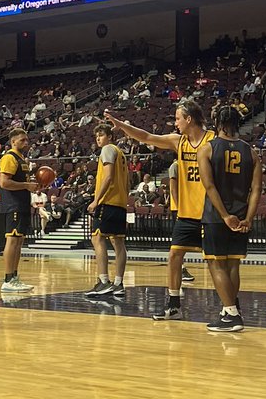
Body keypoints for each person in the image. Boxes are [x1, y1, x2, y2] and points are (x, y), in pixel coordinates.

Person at [104, 100, 210, 321]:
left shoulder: (212, 141)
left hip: (209, 212)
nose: (175, 123)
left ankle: (230, 306)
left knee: (216, 262)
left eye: (178, 118)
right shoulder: (178, 141)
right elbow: (146, 137)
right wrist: (121, 125)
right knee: (174, 255)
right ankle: (173, 305)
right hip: (186, 213)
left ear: (189, 119)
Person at [197, 106, 262, 332]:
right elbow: (256, 190)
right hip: (242, 213)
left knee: (216, 263)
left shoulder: (207, 149)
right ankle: (230, 309)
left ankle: (231, 314)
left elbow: (209, 186)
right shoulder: (251, 152)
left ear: (217, 122)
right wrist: (249, 218)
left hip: (217, 216)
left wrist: (224, 215)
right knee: (233, 264)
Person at [84, 122, 129, 301]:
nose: (98, 139)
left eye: (101, 135)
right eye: (97, 136)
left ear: (110, 136)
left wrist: (96, 200)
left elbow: (109, 176)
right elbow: (127, 181)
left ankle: (103, 280)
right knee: (118, 243)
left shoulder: (107, 150)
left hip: (108, 202)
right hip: (120, 203)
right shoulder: (121, 154)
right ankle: (118, 284)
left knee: (97, 238)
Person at [0, 127, 38, 292]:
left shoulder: (22, 158)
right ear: (13, 141)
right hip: (13, 204)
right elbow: (4, 183)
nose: (26, 143)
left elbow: (22, 183)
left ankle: (14, 277)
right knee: (12, 240)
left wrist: (33, 185)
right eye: (22, 140)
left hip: (22, 203)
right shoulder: (9, 157)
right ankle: (8, 279)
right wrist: (26, 185)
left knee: (19, 241)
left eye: (27, 140)